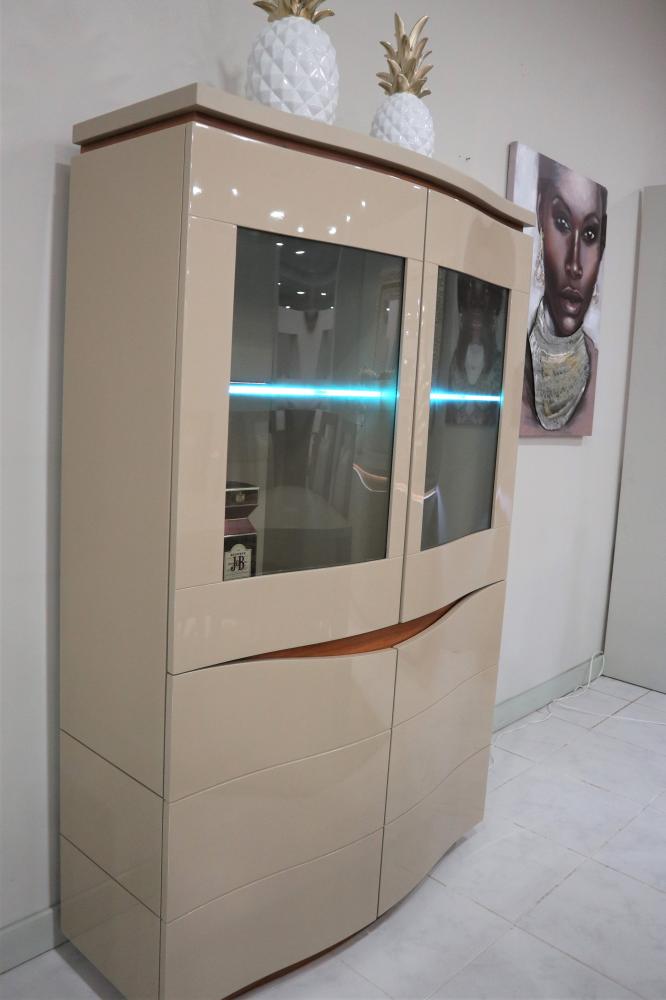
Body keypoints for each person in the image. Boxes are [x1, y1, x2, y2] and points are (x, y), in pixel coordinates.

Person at [522, 155, 607, 435]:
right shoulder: (511, 360)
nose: (574, 265)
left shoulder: (597, 366)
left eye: (590, 234)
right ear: (540, 218)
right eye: (562, 222)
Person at [447, 273, 505, 426]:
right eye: (470, 289)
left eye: (485, 292)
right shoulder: (454, 361)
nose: (476, 304)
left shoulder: (498, 364)